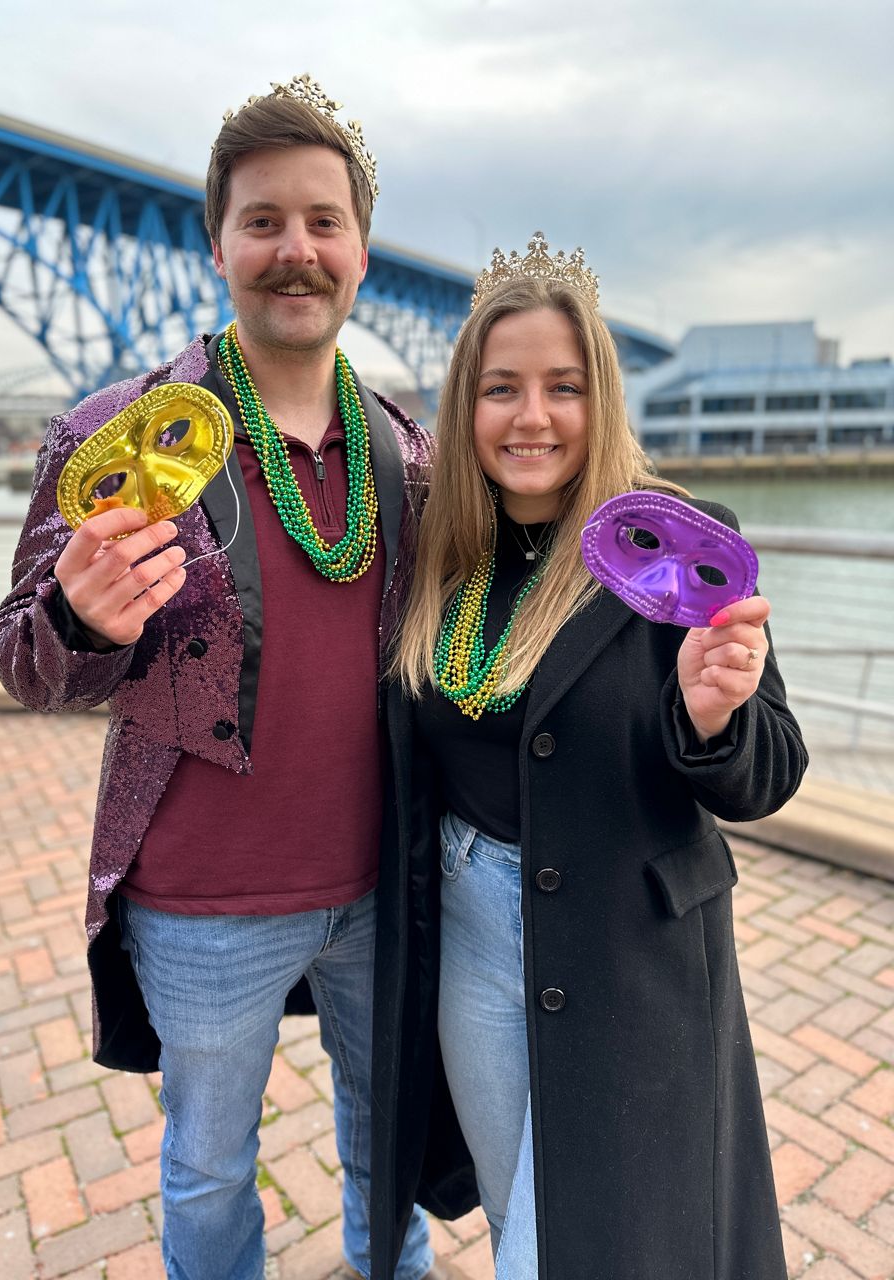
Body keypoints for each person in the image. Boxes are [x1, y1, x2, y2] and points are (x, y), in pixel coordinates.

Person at [0, 74, 457, 1280]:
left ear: (358, 251)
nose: (294, 249)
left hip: (384, 887)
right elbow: (21, 662)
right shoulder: (118, 431)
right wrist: (77, 620)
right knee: (206, 1166)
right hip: (198, 902)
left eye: (322, 221)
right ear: (217, 244)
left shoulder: (414, 452)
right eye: (262, 221)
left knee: (387, 1144)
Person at [370, 233, 808, 1280]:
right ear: (465, 404)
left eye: (563, 386)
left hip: (629, 953)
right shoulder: (441, 549)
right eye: (502, 387)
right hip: (473, 934)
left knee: (567, 1250)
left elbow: (771, 767)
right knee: (528, 1206)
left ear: (600, 397)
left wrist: (712, 716)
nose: (532, 417)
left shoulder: (680, 543)